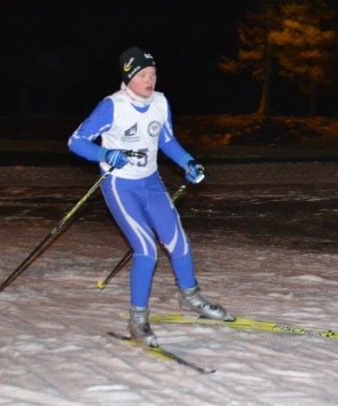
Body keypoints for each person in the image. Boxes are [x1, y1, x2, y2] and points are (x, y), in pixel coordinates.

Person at [68, 46, 233, 347]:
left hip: (152, 184)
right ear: (128, 77)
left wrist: (188, 163)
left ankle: (191, 298)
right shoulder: (112, 106)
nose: (149, 80)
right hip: (121, 186)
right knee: (146, 250)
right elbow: (76, 141)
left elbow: (166, 139)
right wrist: (105, 153)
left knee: (179, 242)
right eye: (142, 74)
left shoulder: (160, 102)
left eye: (153, 74)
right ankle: (138, 319)